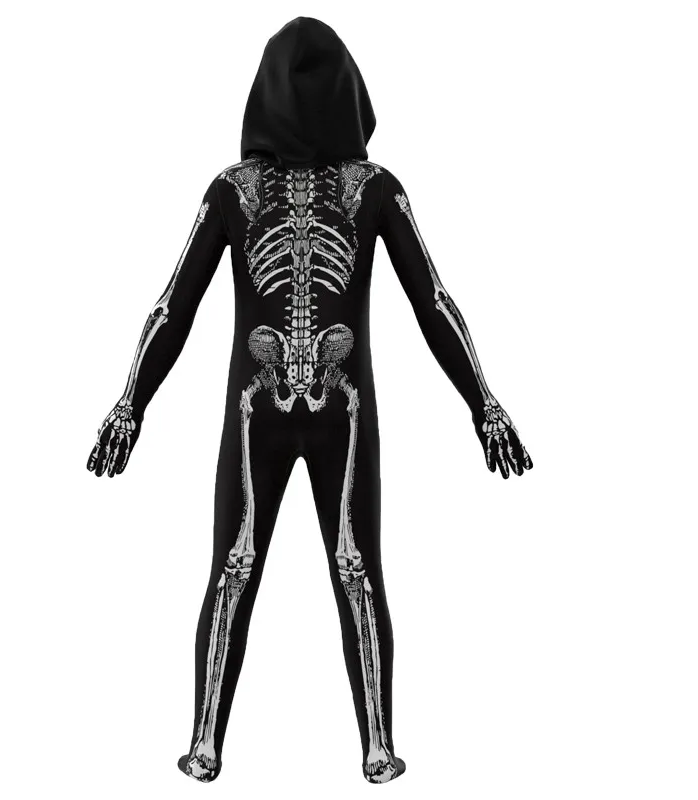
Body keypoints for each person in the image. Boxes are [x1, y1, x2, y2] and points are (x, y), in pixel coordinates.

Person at [87, 16, 532, 784]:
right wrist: (482, 401)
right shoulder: (368, 188)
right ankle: (358, 747)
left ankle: (225, 745)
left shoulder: (242, 189)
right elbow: (434, 300)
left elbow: (171, 306)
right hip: (332, 401)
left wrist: (133, 402)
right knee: (313, 567)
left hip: (270, 404)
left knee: (281, 566)